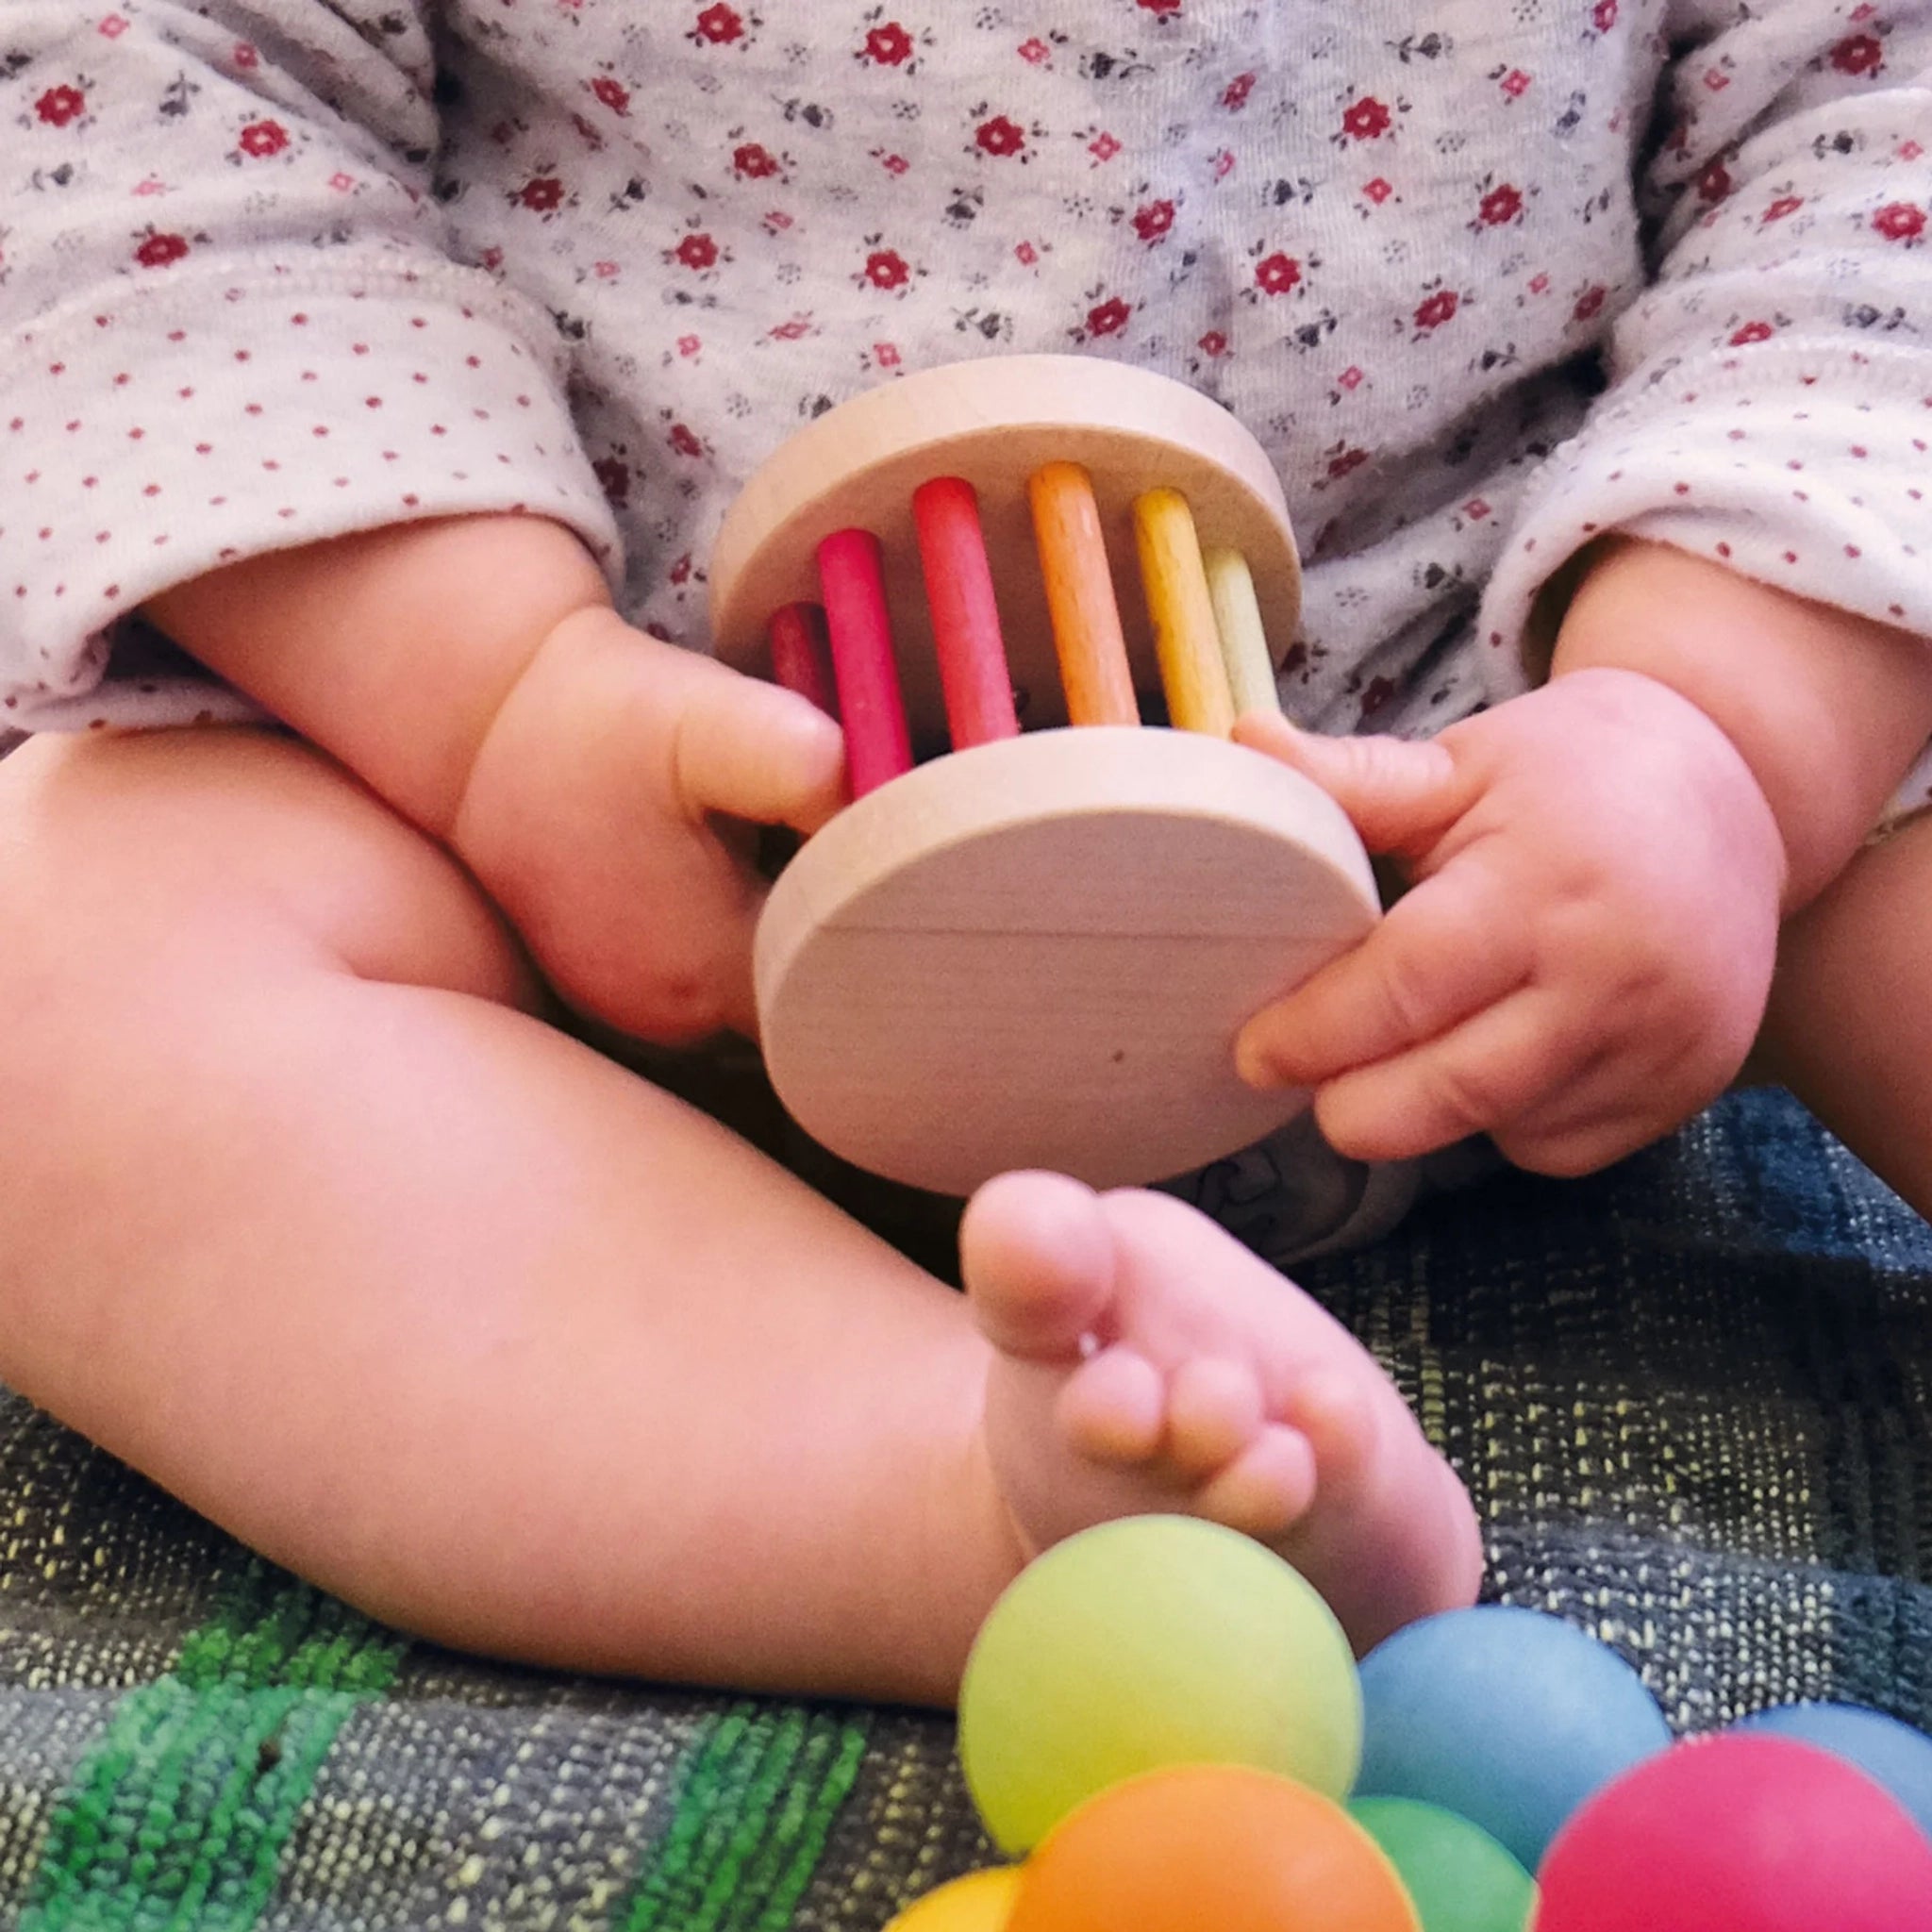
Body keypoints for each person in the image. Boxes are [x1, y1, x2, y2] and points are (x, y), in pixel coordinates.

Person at [0, 1, 1924, 1703]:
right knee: (72, 971)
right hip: (613, 819)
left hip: (1508, 763)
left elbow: (1868, 135)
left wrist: (1720, 735)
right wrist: (487, 697)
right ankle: (991, 1503)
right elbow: (149, 101)